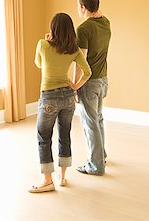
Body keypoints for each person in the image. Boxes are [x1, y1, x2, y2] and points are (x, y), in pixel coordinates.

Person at [29, 12, 91, 193]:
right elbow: (87, 72)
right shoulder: (74, 49)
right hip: (67, 97)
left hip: (49, 97)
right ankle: (62, 177)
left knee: (44, 136)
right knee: (65, 135)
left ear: (53, 28)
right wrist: (75, 86)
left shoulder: (43, 45)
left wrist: (46, 41)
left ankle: (47, 180)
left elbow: (38, 64)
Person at [74, 0, 111, 176]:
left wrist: (75, 85)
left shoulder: (83, 29)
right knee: (98, 119)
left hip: (89, 83)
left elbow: (82, 62)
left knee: (90, 123)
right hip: (103, 80)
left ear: (83, 7)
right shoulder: (106, 23)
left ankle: (95, 165)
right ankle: (100, 155)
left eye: (78, 6)